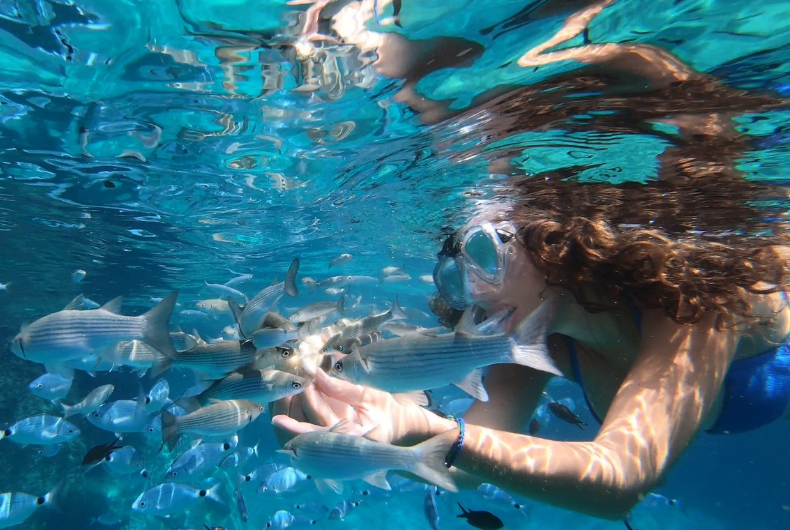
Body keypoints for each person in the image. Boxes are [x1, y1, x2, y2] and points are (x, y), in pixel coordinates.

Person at [272, 0, 790, 521]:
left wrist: (587, 43)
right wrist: (387, 429)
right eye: (453, 276)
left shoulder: (690, 298)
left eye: (482, 253)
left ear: (553, 236)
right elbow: (467, 466)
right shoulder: (532, 338)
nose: (473, 292)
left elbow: (622, 476)